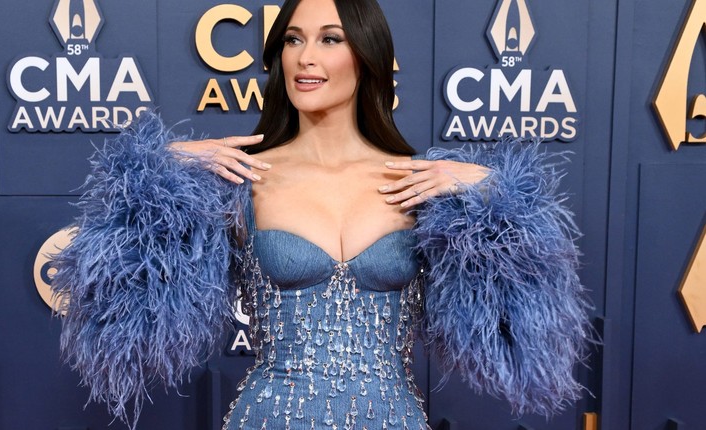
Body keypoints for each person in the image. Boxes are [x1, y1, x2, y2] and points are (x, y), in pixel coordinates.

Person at [51, 0, 592, 428]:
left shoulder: (419, 183)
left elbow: (524, 327)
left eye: (329, 39)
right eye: (293, 39)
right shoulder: (245, 180)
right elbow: (118, 314)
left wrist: (494, 194)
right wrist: (155, 172)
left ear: (367, 55)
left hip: (391, 420)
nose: (305, 57)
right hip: (269, 419)